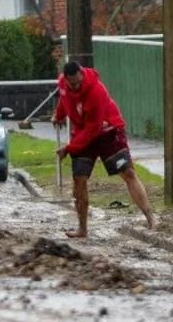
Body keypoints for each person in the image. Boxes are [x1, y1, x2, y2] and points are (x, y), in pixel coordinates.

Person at [53, 60, 155, 238]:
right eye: (72, 84)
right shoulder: (63, 84)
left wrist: (69, 148)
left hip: (107, 131)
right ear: (66, 79)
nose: (76, 86)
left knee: (128, 173)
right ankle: (82, 228)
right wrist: (59, 114)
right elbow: (64, 99)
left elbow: (93, 129)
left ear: (82, 74)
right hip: (82, 132)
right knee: (79, 180)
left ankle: (151, 219)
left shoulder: (96, 91)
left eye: (78, 82)